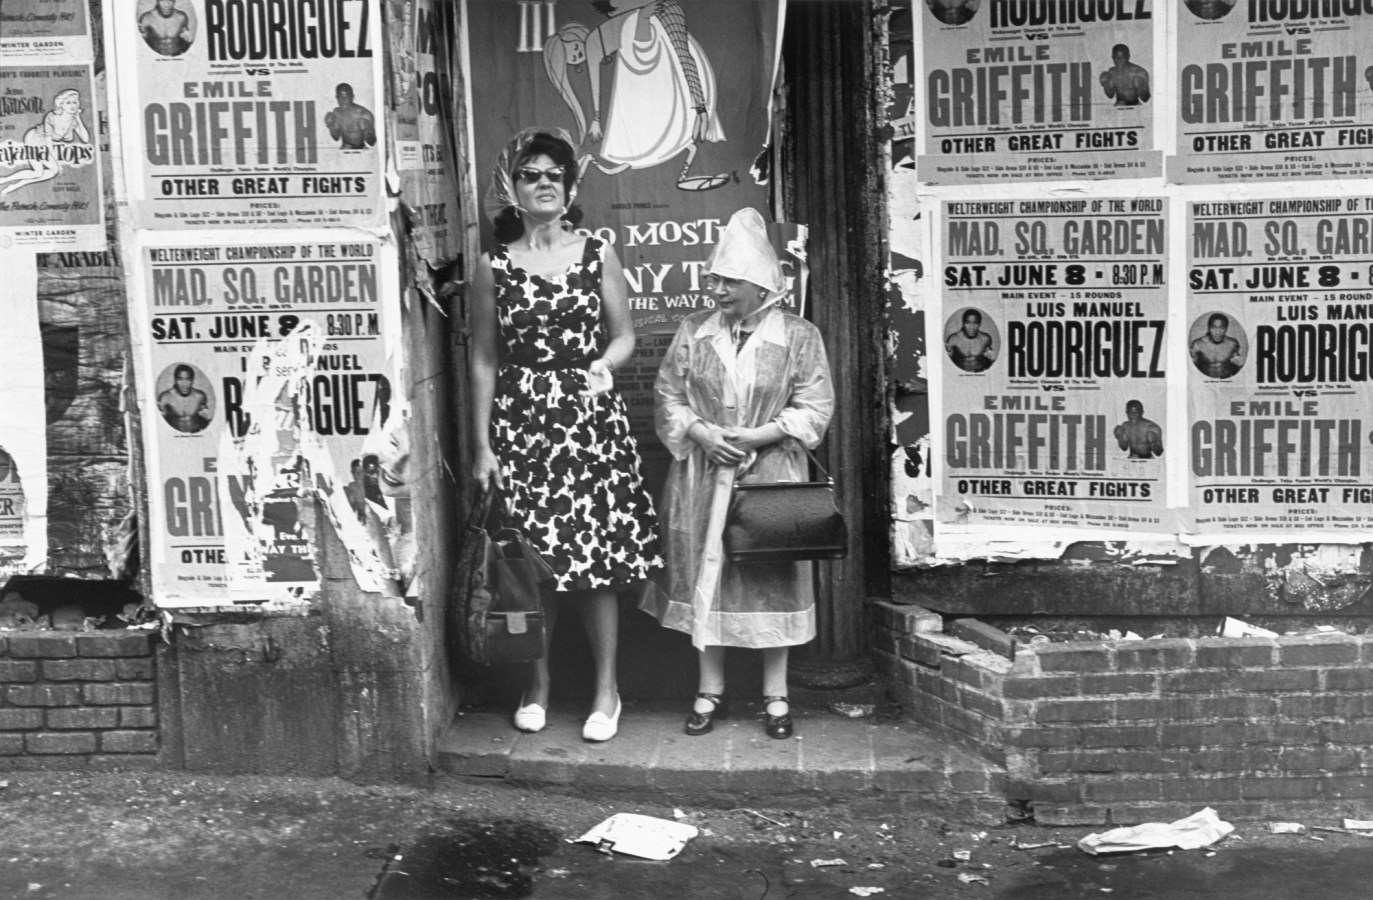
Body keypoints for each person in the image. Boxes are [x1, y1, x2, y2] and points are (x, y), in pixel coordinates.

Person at [469, 127, 663, 743]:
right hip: (523, 424)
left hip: (587, 421)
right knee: (532, 564)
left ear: (570, 186)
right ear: (514, 188)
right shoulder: (492, 266)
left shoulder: (595, 253)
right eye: (532, 174)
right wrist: (482, 446)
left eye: (555, 173)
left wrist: (605, 362)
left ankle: (608, 690)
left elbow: (626, 334)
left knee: (595, 563)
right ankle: (539, 684)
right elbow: (482, 360)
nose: (544, 182)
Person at [642, 208, 834, 741]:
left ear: (758, 285)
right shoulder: (694, 331)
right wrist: (703, 434)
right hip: (703, 477)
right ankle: (709, 688)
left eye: (728, 281)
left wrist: (758, 435)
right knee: (711, 578)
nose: (718, 289)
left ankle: (776, 694)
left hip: (771, 474)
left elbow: (814, 406)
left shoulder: (798, 336)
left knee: (769, 576)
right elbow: (669, 397)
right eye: (714, 279)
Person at [0, 89, 91, 197]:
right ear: (61, 104)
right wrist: (56, 162)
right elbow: (48, 142)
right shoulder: (52, 117)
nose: (72, 105)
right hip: (35, 138)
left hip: (44, 145)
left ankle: (13, 184)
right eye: (68, 102)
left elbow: (85, 139)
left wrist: (78, 118)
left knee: (49, 172)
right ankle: (6, 180)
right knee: (42, 171)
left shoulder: (74, 121)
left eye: (75, 102)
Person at [158, 364, 211, 433]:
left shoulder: (200, 396)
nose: (184, 384)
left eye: (188, 379)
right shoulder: (166, 397)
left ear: (192, 380)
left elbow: (206, 418)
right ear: (175, 380)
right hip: (175, 436)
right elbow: (159, 423)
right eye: (180, 379)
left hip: (195, 434)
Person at [1191, 313, 1244, 378]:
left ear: (1226, 329)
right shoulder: (1198, 344)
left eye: (1222, 328)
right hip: (1206, 384)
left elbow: (1237, 364)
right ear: (1209, 328)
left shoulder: (1233, 343)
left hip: (1226, 382)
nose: (1217, 332)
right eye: (1213, 327)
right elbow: (1191, 369)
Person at [324, 83, 377, 150]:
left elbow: (372, 143)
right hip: (345, 148)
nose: (343, 100)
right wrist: (330, 126)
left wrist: (367, 131)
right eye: (340, 97)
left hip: (361, 150)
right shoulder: (337, 112)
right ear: (337, 98)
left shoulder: (364, 114)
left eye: (346, 97)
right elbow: (336, 137)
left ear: (352, 97)